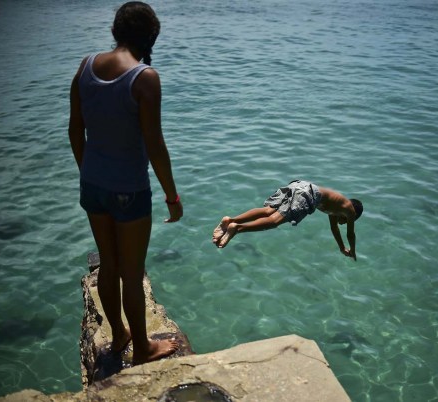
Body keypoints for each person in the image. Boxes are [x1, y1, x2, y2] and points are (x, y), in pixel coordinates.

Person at [68, 1, 182, 365]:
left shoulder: (85, 66)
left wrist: (88, 170)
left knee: (110, 265)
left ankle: (118, 334)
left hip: (93, 185)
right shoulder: (144, 77)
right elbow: (155, 144)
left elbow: (75, 128)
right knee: (132, 272)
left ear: (117, 32)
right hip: (129, 191)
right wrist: (171, 194)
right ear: (150, 36)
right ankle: (144, 349)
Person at [212, 180, 363, 260]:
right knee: (274, 221)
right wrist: (353, 251)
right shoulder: (349, 209)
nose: (344, 223)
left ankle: (230, 220)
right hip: (308, 193)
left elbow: (334, 229)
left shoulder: (335, 209)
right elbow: (351, 234)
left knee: (268, 211)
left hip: (299, 185)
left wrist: (342, 248)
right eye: (350, 220)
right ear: (353, 215)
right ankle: (237, 228)